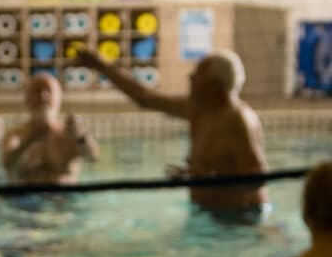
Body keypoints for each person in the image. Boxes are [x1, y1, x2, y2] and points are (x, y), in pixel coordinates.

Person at [69, 45, 267, 218]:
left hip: (241, 218)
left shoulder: (237, 120)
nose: (190, 77)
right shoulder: (199, 110)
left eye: (197, 74)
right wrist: (102, 66)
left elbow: (257, 177)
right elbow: (145, 98)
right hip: (209, 214)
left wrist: (209, 176)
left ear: (214, 86)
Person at [0, 73, 98, 186]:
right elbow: (8, 165)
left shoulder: (70, 135)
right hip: (26, 199)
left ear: (59, 98)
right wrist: (29, 140)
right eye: (37, 91)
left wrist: (80, 136)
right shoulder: (16, 135)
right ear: (27, 98)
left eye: (49, 91)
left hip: (65, 199)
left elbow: (92, 157)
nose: (43, 96)